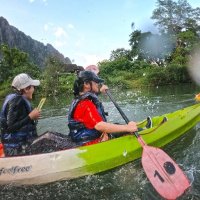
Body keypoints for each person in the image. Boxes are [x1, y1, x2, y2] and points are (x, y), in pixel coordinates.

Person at [68, 70, 138, 145]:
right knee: (126, 130)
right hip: (91, 142)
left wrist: (99, 91)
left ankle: (135, 127)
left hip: (84, 138)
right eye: (95, 82)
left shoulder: (79, 99)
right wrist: (127, 128)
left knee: (118, 125)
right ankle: (140, 131)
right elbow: (99, 126)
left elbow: (91, 97)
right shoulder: (85, 104)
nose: (98, 84)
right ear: (86, 84)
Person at [0, 73, 41, 156]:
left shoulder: (17, 99)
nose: (34, 89)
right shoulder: (16, 101)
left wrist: (33, 116)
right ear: (26, 89)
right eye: (33, 87)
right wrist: (30, 117)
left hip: (18, 145)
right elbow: (10, 128)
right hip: (16, 148)